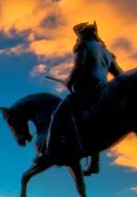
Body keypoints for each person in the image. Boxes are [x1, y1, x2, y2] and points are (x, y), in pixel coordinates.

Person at [49, 21, 123, 175]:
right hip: (103, 89)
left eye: (78, 35)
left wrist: (69, 82)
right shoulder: (106, 52)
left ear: (81, 35)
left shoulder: (82, 47)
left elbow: (79, 67)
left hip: (86, 90)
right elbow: (119, 74)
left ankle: (52, 152)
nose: (77, 38)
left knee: (57, 115)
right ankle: (94, 161)